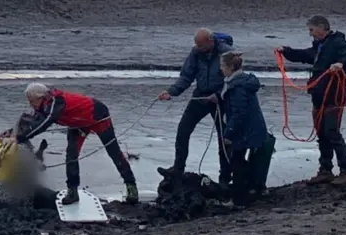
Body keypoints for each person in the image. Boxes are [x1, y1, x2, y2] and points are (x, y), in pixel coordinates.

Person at [14, 83, 139, 205]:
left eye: (32, 101)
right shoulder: (43, 106)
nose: (30, 104)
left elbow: (44, 124)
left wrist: (19, 139)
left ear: (41, 97)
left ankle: (131, 187)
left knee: (114, 152)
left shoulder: (56, 102)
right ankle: (72, 192)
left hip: (98, 116)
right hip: (78, 124)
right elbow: (33, 123)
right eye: (29, 101)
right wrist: (13, 135)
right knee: (71, 156)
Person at [276, 15, 346, 186]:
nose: (310, 34)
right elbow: (306, 55)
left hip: (334, 97)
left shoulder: (337, 42)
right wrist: (286, 51)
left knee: (332, 133)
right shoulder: (320, 46)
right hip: (318, 96)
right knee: (322, 134)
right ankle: (325, 171)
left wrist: (341, 64)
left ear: (322, 28)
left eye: (312, 30)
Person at [157, 28, 234, 184]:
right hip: (200, 96)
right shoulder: (196, 52)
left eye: (202, 46)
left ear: (211, 41)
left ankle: (225, 177)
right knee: (183, 130)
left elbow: (232, 79)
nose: (200, 50)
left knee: (224, 138)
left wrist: (219, 95)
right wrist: (171, 92)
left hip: (220, 99)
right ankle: (178, 169)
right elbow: (186, 76)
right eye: (198, 46)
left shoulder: (226, 53)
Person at [217, 51, 268, 206]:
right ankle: (253, 189)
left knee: (237, 162)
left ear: (230, 67)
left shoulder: (237, 86)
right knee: (239, 161)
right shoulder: (240, 81)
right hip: (249, 128)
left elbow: (239, 113)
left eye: (222, 66)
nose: (220, 69)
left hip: (245, 130)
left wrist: (228, 134)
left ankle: (239, 200)